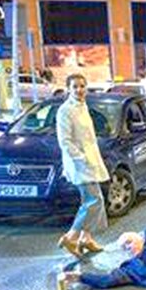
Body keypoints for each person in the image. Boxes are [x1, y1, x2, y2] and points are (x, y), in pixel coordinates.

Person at [55, 74, 110, 258]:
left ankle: (86, 238)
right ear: (68, 89)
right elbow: (65, 141)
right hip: (79, 164)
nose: (79, 90)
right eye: (75, 87)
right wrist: (81, 159)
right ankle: (71, 236)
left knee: (94, 200)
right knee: (93, 200)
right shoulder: (65, 110)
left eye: (82, 86)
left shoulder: (83, 106)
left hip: (90, 161)